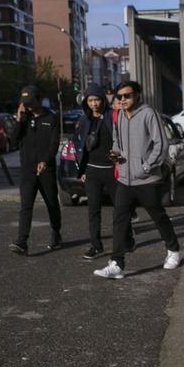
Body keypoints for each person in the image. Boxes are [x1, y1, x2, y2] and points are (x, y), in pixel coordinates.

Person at [94, 81, 181, 279]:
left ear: (138, 96)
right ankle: (117, 263)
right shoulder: (120, 117)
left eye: (127, 96)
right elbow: (117, 141)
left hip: (147, 179)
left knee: (158, 216)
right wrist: (115, 154)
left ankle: (174, 250)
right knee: (119, 219)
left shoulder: (148, 114)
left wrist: (146, 166)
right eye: (119, 97)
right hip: (125, 179)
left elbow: (161, 144)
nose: (123, 100)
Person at [9, 85, 63, 254]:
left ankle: (56, 233)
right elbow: (13, 142)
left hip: (46, 170)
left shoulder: (51, 118)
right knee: (26, 206)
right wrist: (18, 119)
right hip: (27, 171)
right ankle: (22, 242)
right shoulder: (24, 119)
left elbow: (54, 144)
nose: (29, 106)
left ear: (39, 100)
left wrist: (46, 161)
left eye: (31, 102)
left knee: (52, 204)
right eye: (26, 103)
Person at [74, 83, 118, 260]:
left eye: (97, 99)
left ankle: (126, 239)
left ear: (102, 100)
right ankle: (95, 245)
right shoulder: (84, 120)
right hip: (92, 172)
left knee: (121, 208)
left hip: (112, 170)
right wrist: (82, 169)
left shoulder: (111, 117)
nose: (94, 104)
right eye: (90, 100)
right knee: (93, 210)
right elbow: (79, 145)